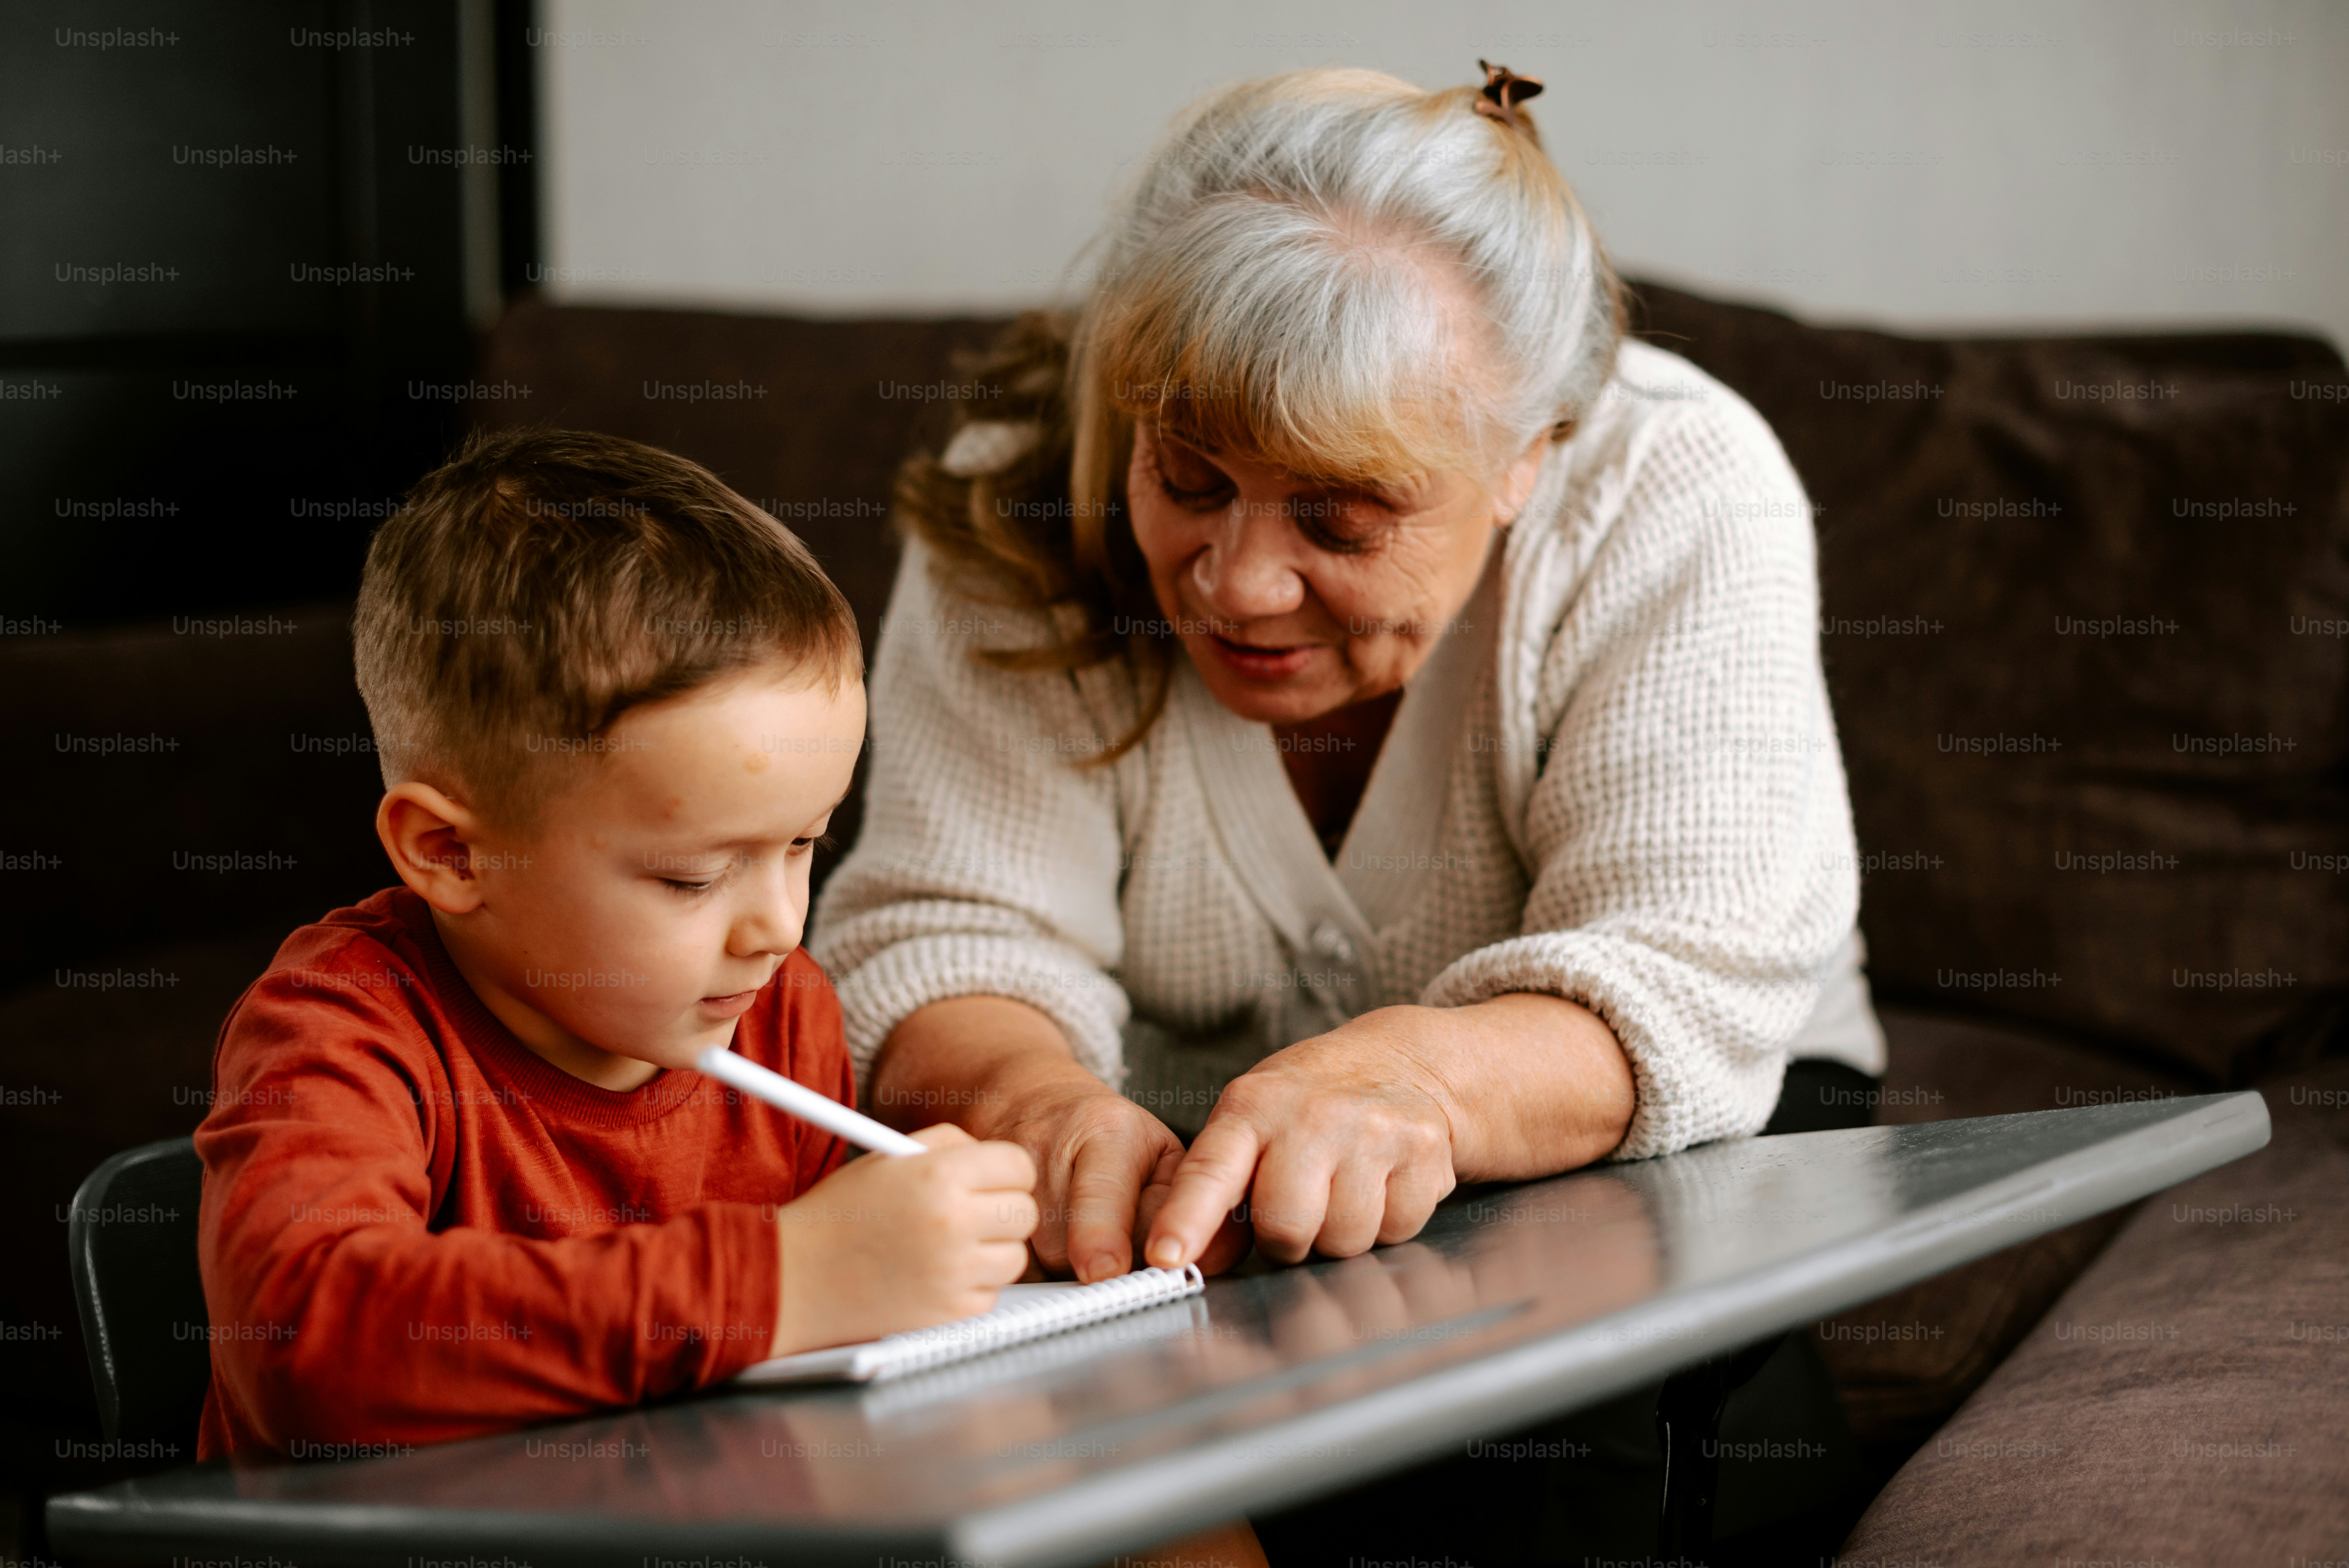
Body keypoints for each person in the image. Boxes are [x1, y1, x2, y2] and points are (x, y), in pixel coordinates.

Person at [810, 65, 1887, 1557]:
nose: (1240, 583)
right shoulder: (1011, 499)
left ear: (1529, 454)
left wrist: (1422, 1086)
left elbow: (1686, 969)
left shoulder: (1677, 482)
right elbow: (945, 930)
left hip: (1661, 1121)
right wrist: (1031, 1106)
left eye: (1339, 517)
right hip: (1176, 1166)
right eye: (1186, 479)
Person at [191, 428, 1040, 1459]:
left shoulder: (778, 1011)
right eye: (692, 876)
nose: (778, 927)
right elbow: (306, 1350)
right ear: (453, 854)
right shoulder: (342, 1029)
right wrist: (789, 1280)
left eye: (805, 844)